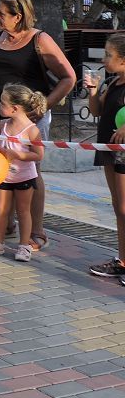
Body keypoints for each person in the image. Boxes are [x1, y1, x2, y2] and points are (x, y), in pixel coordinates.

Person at [0, 0, 75, 249]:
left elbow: (68, 78)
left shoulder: (40, 40)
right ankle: (5, 223)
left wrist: (42, 108)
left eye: (1, 14)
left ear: (18, 17)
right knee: (1, 169)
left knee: (30, 174)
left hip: (27, 124)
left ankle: (37, 232)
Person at [0, 84, 47, 262]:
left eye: (2, 103)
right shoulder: (2, 125)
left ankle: (24, 245)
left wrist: (16, 154)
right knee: (0, 210)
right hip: (4, 176)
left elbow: (38, 154)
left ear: (15, 108)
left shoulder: (32, 130)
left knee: (23, 211)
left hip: (25, 177)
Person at [85, 34, 125, 282]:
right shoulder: (113, 83)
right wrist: (92, 92)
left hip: (122, 152)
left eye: (108, 54)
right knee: (118, 207)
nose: (104, 58)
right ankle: (122, 259)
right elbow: (97, 111)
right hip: (109, 149)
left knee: (124, 207)